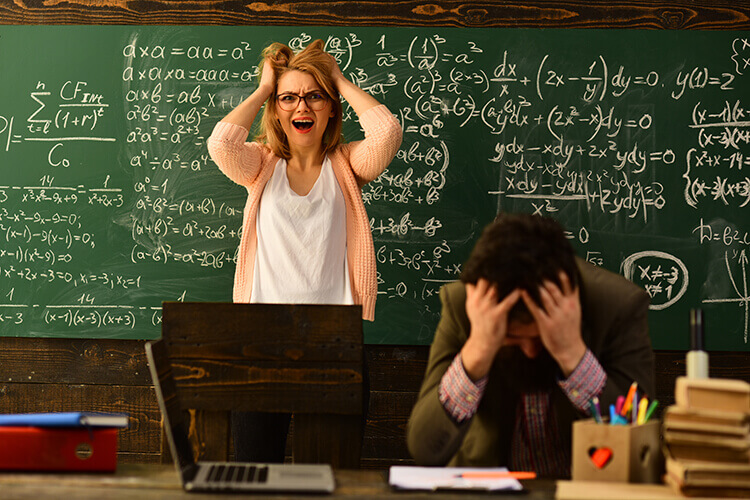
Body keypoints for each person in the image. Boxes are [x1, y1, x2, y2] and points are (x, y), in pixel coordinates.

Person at [207, 40, 402, 462]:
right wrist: (263, 89)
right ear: (277, 109)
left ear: (331, 107)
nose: (302, 107)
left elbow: (387, 132)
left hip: (335, 342)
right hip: (260, 340)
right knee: (255, 474)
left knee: (331, 475)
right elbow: (221, 145)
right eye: (289, 98)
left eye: (314, 97)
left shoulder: (348, 166)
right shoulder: (260, 165)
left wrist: (338, 80)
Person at [406, 213, 655, 477]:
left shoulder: (617, 305)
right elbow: (425, 450)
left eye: (540, 339)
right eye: (512, 339)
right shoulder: (465, 307)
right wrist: (478, 351)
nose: (530, 351)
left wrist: (572, 353)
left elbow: (638, 440)